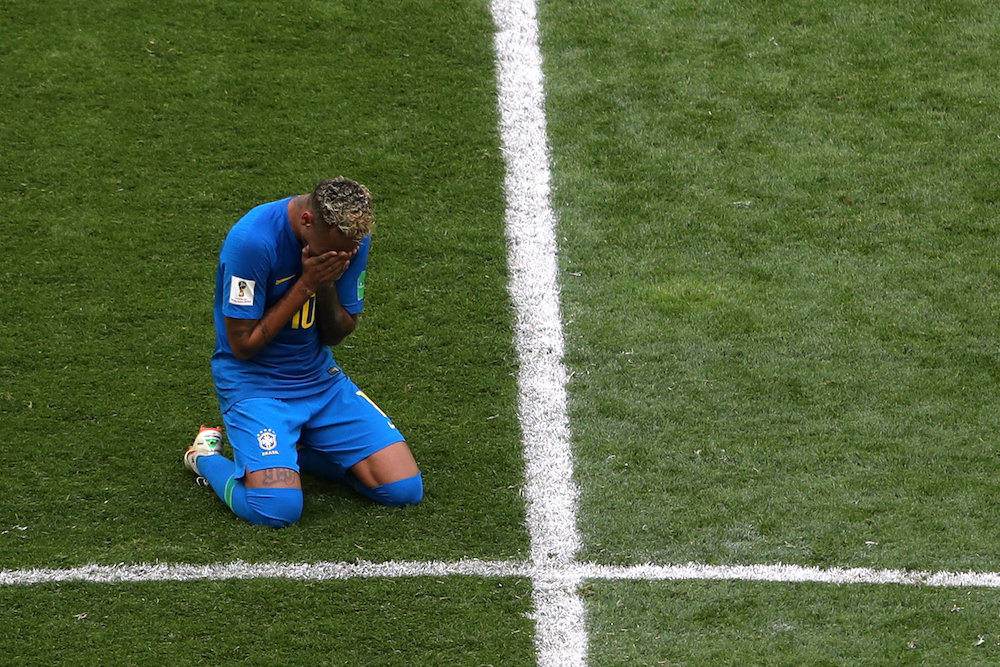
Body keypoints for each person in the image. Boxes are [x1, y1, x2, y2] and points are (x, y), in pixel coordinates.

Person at [183, 177, 422, 527]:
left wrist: (325, 286)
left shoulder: (349, 240)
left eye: (354, 247)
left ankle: (294, 451)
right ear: (308, 221)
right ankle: (204, 456)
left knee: (403, 490)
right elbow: (243, 345)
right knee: (277, 510)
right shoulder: (251, 242)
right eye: (339, 250)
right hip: (254, 386)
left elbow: (337, 333)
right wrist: (305, 285)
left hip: (319, 381)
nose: (348, 255)